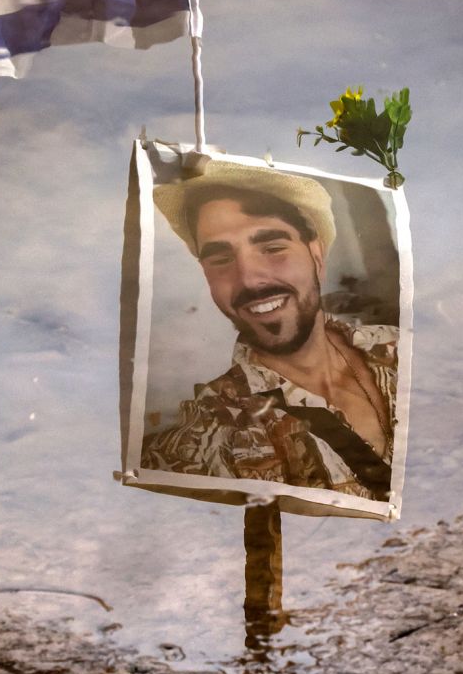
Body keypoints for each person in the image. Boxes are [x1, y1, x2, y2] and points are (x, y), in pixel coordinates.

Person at [141, 162, 398, 501]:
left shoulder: (400, 348)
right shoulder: (216, 433)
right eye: (220, 259)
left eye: (273, 248)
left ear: (317, 257)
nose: (249, 279)